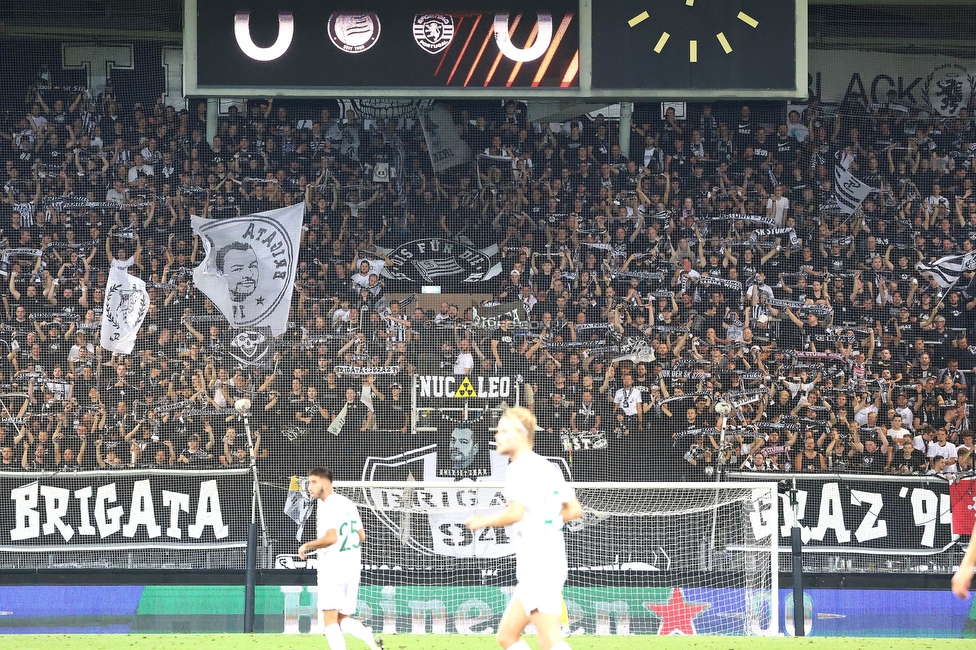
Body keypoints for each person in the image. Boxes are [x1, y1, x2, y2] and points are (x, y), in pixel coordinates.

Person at [466, 407, 582, 650]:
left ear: (520, 433)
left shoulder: (517, 468)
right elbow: (573, 510)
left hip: (538, 562)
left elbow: (515, 513)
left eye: (503, 430)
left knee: (549, 640)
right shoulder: (547, 467)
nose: (497, 435)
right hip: (547, 559)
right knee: (507, 637)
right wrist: (545, 521)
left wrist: (482, 521)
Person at [298, 467, 383, 650]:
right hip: (352, 567)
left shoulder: (327, 506)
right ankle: (373, 644)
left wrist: (307, 545)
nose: (309, 486)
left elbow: (331, 538)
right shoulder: (347, 502)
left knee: (329, 621)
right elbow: (362, 536)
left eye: (314, 482)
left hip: (333, 568)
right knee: (343, 619)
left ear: (326, 483)